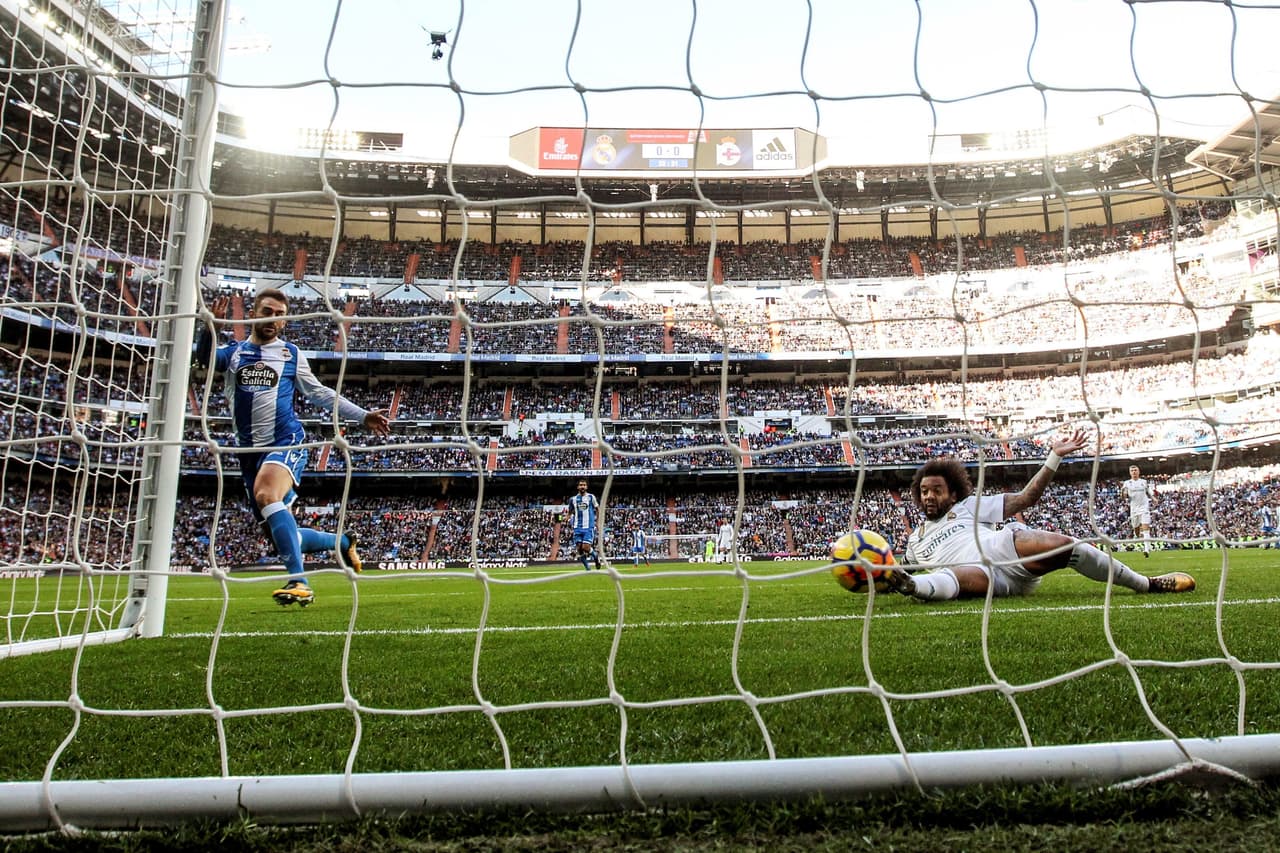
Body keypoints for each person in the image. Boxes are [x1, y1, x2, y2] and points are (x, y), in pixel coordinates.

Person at [194, 291, 391, 606]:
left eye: (280, 313)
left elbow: (320, 393)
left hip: (286, 441)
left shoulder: (290, 354)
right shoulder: (234, 353)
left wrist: (362, 415)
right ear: (255, 314)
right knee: (282, 537)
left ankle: (299, 582)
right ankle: (342, 541)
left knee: (267, 495)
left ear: (284, 320)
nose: (273, 317)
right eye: (267, 310)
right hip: (248, 453)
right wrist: (208, 327)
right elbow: (204, 360)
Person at [884, 430, 1195, 601]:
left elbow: (1025, 499)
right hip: (982, 578)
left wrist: (1054, 457)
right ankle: (917, 588)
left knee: (1068, 546)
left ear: (952, 494)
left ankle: (1146, 584)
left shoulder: (968, 507)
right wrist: (875, 576)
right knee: (954, 576)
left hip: (1004, 551)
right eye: (924, 491)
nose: (928, 496)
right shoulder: (914, 542)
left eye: (936, 490)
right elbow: (890, 575)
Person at [1121, 464, 1156, 557]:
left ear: (1139, 471)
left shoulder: (1144, 482)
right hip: (1134, 509)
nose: (1134, 472)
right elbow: (1124, 497)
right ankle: (1137, 536)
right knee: (1136, 528)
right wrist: (1122, 493)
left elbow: (1149, 492)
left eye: (1135, 470)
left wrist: (1154, 498)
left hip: (1144, 508)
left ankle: (1147, 549)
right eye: (1132, 471)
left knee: (1145, 528)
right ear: (1130, 473)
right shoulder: (1127, 483)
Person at [568, 479, 601, 570]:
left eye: (584, 485)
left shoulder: (591, 497)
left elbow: (598, 509)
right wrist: (566, 518)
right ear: (578, 487)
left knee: (586, 547)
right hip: (577, 527)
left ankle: (595, 556)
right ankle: (588, 568)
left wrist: (597, 522)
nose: (582, 486)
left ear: (586, 487)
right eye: (581, 485)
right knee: (579, 549)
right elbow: (570, 511)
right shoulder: (573, 499)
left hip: (588, 526)